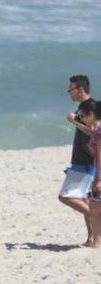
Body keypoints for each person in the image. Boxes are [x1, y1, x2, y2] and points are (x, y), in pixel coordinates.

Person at [60, 75, 95, 244]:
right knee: (84, 199)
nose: (69, 93)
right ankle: (92, 238)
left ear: (80, 90)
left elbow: (95, 133)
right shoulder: (84, 106)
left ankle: (96, 217)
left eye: (70, 89)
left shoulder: (90, 107)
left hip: (86, 161)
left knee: (65, 196)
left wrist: (74, 121)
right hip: (83, 160)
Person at [72, 100, 101, 247]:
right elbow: (90, 133)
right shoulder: (97, 130)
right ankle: (96, 241)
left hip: (99, 172)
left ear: (92, 115)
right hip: (96, 170)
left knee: (95, 209)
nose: (80, 117)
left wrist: (99, 179)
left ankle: (97, 242)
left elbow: (100, 156)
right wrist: (76, 123)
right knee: (95, 207)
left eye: (82, 115)